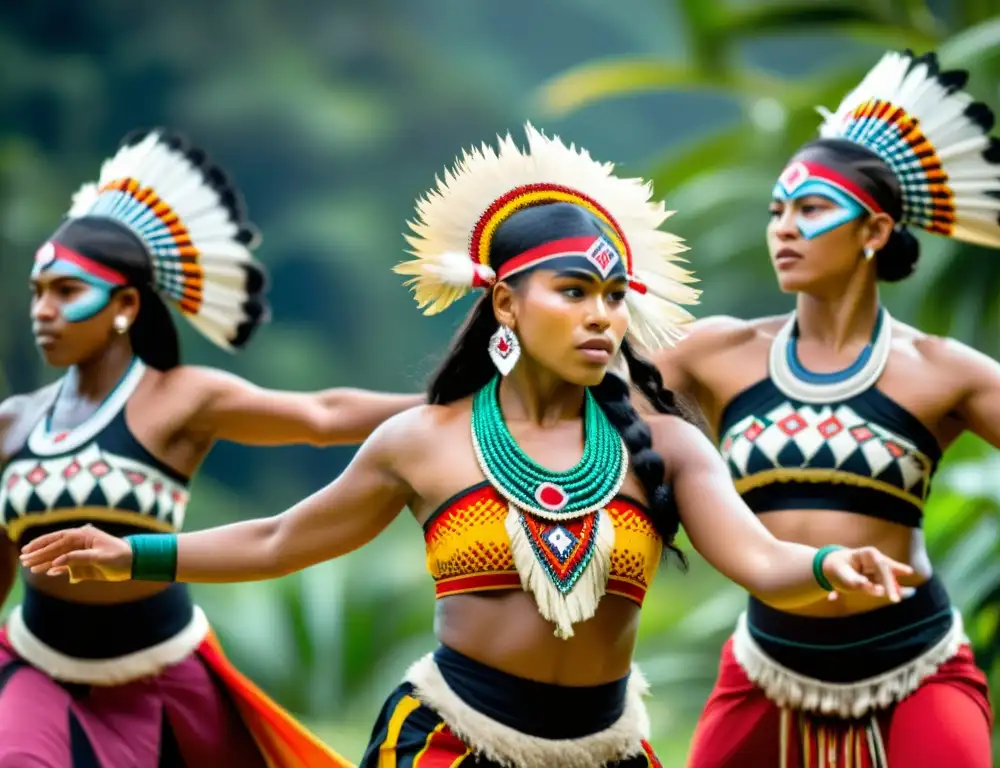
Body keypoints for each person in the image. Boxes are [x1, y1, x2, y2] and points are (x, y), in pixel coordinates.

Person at [21, 124, 914, 768]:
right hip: (448, 742)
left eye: (612, 295)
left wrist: (831, 567)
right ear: (505, 304)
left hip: (606, 750)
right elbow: (280, 537)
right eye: (573, 291)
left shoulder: (669, 446)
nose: (601, 315)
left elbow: (761, 558)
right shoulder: (423, 441)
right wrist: (132, 552)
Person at [0, 128, 423, 768]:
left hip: (163, 672)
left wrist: (458, 403)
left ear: (125, 305)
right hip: (38, 664)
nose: (44, 310)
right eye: (37, 293)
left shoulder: (180, 398)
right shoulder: (13, 423)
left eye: (64, 291)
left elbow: (320, 415)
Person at [648, 50, 1000, 767]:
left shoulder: (944, 372)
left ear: (875, 232)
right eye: (777, 210)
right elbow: (563, 404)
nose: (783, 227)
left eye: (812, 208)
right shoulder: (712, 353)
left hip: (916, 662)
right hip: (768, 660)